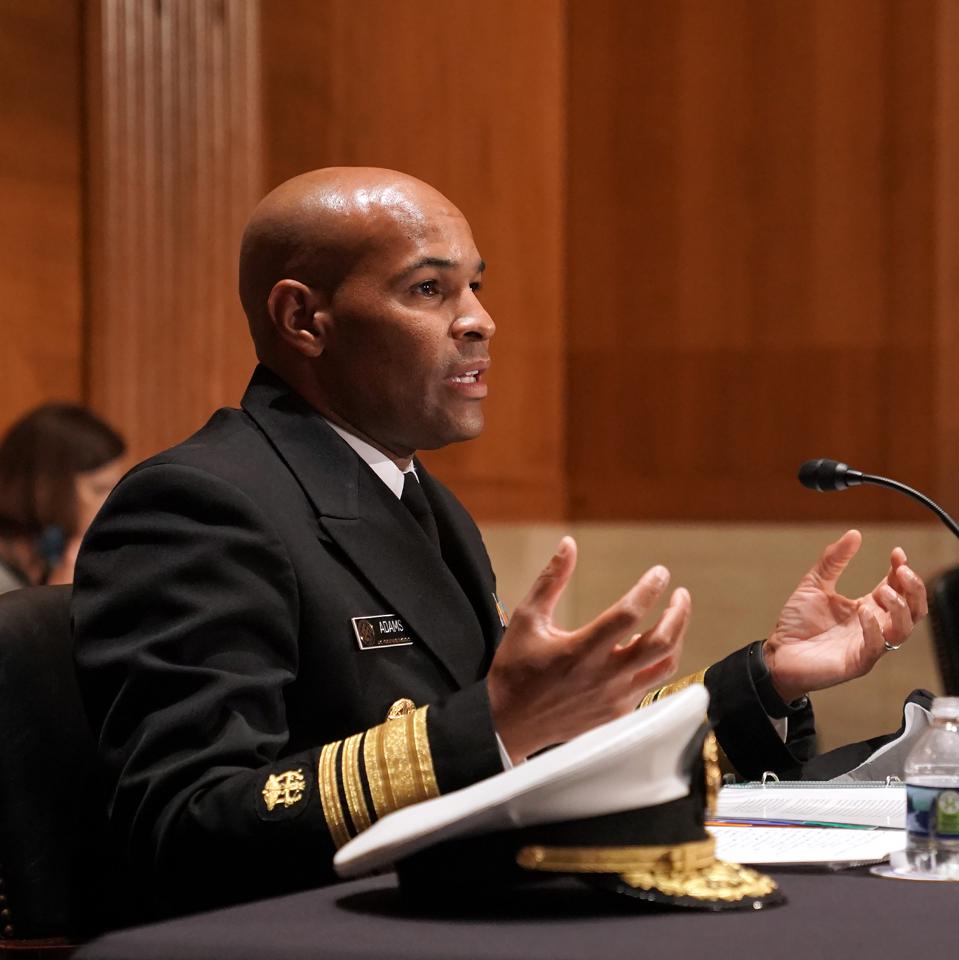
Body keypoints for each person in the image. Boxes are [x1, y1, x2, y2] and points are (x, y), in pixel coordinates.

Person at [72, 168, 926, 917]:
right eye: (428, 291)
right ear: (305, 319)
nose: (480, 321)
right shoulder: (202, 504)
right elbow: (184, 826)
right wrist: (491, 724)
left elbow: (538, 756)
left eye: (476, 287)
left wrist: (766, 679)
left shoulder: (420, 502)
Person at [0, 404, 125, 594]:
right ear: (43, 487)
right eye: (99, 489)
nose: (116, 500)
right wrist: (58, 596)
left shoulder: (51, 550)